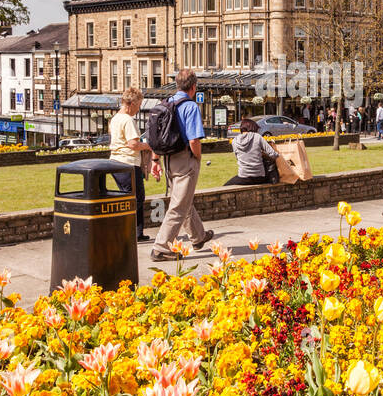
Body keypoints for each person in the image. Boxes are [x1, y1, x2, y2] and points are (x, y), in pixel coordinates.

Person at [151, 69, 214, 261]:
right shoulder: (190, 107)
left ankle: (198, 237)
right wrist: (197, 158)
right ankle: (161, 247)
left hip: (168, 159)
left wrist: (155, 160)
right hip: (185, 160)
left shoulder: (166, 103)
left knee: (183, 199)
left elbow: (157, 137)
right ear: (194, 87)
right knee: (178, 205)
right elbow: (194, 140)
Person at [109, 86, 156, 243]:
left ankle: (135, 232)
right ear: (131, 103)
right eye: (138, 105)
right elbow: (133, 145)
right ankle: (133, 233)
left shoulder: (115, 118)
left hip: (115, 162)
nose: (138, 108)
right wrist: (149, 146)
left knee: (128, 198)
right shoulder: (128, 120)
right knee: (136, 199)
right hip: (128, 163)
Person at [225, 118, 283, 186]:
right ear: (252, 128)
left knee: (224, 187)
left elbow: (238, 158)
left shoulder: (234, 141)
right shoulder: (257, 137)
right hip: (259, 177)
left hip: (243, 177)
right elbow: (274, 155)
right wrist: (263, 154)